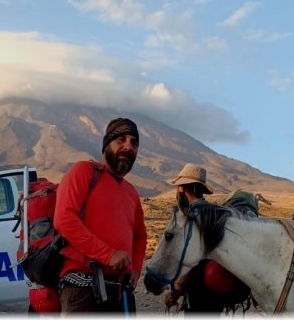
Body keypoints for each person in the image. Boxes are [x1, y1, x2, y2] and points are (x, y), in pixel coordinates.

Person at [54, 117, 147, 314]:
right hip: (83, 287)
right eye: (120, 140)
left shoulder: (131, 192)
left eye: (134, 142)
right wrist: (108, 255)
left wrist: (136, 270)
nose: (128, 147)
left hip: (121, 291)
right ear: (106, 144)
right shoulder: (83, 172)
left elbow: (140, 236)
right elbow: (64, 219)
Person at [165, 164, 254, 315]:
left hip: (198, 295)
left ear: (182, 188)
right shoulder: (214, 214)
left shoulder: (192, 216)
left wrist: (177, 289)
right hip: (215, 294)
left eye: (179, 186)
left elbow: (190, 261)